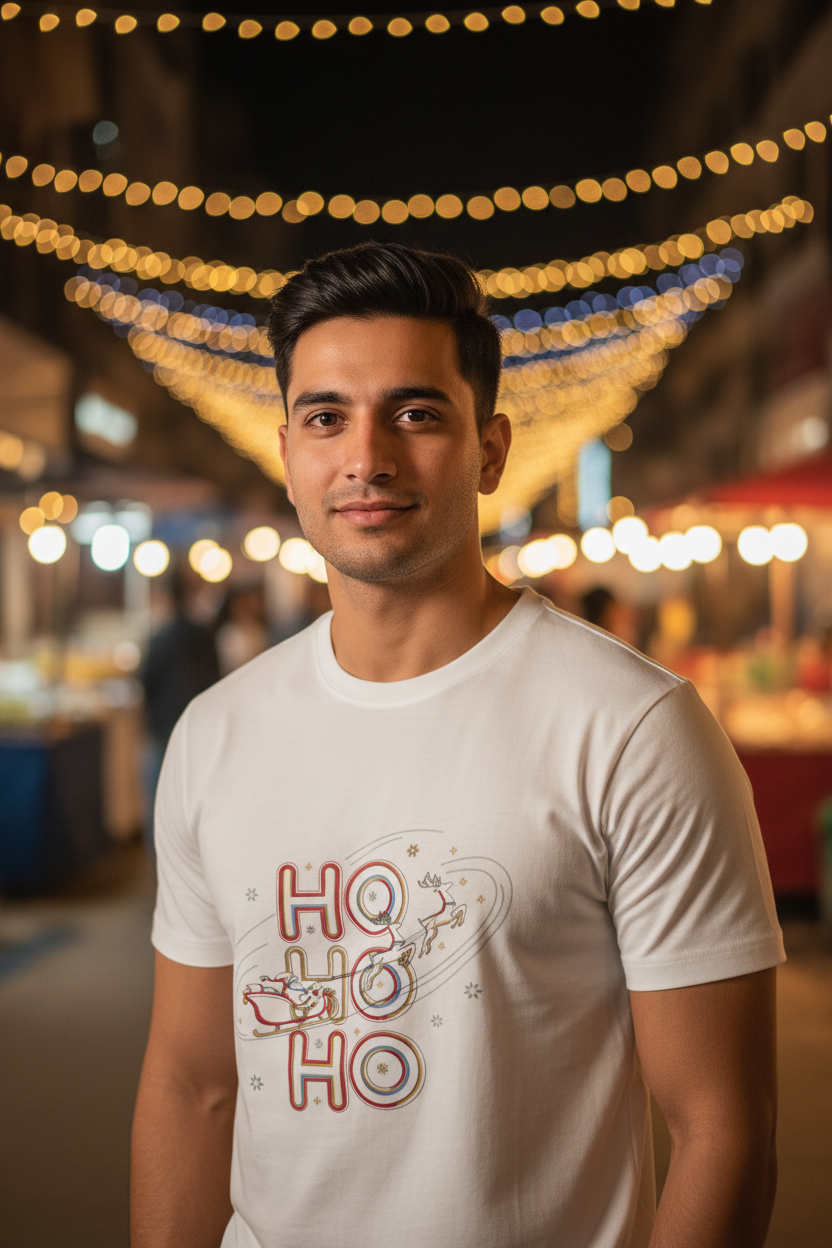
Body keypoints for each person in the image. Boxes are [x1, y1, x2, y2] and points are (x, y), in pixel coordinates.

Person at [132, 243, 784, 1248]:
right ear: (289, 453)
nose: (367, 457)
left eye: (416, 412)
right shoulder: (217, 734)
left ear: (489, 449)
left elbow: (720, 1130)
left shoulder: (632, 730)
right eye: (325, 417)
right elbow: (191, 1085)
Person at [139, 564, 220, 857]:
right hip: (200, 734)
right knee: (196, 813)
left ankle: (162, 882)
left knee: (161, 812)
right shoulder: (203, 634)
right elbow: (217, 680)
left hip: (163, 733)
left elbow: (144, 682)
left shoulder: (159, 638)